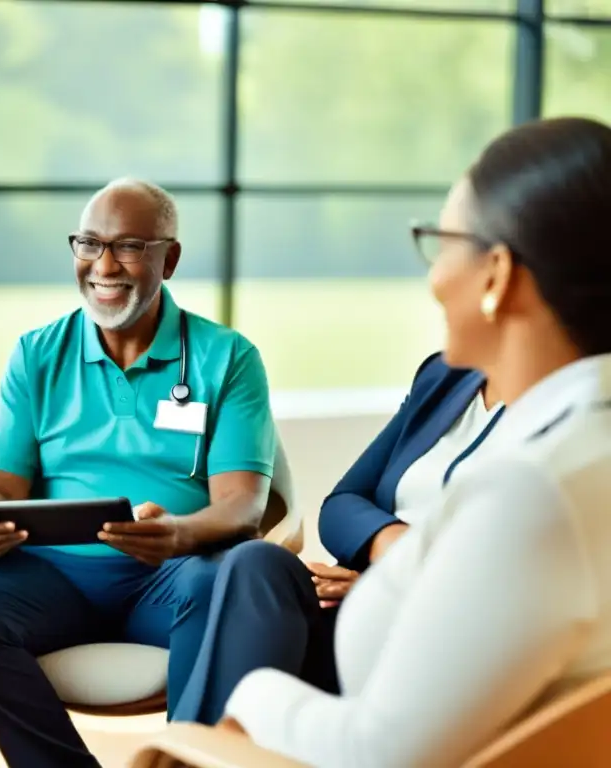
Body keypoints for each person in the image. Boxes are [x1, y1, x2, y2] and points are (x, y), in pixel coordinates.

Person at [213, 115, 611, 767]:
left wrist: (251, 697)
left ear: (497, 275)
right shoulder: (584, 447)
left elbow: (379, 753)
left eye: (442, 241)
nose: (432, 276)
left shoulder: (530, 491)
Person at [0, 177, 276, 768]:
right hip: (53, 577)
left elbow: (243, 504)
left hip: (171, 575)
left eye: (130, 247)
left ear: (170, 258)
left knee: (216, 591)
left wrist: (180, 534)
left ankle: (183, 760)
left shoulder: (227, 357)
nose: (103, 265)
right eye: (89, 243)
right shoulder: (37, 354)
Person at [173, 352, 504, 723]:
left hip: (426, 630)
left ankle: (188, 754)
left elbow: (507, 585)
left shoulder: (556, 426)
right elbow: (341, 504)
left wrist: (389, 585)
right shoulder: (447, 376)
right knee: (255, 562)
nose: (437, 291)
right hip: (351, 601)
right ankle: (194, 750)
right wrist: (393, 546)